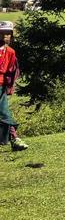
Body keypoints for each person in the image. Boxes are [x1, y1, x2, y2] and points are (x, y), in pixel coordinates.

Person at [0, 21, 28, 152]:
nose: (5, 37)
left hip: (1, 87)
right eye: (2, 34)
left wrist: (8, 86)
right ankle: (14, 139)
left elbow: (11, 71)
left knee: (4, 112)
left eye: (7, 34)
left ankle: (14, 139)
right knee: (4, 113)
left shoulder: (10, 52)